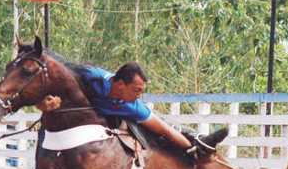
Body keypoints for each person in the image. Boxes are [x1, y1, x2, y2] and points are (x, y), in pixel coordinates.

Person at [37, 61, 213, 158]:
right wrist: (45, 99)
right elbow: (56, 73)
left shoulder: (133, 107)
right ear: (120, 84)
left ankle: (197, 139)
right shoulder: (91, 76)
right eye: (136, 90)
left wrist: (192, 147)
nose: (139, 96)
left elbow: (165, 129)